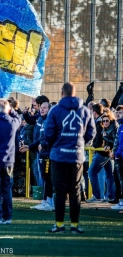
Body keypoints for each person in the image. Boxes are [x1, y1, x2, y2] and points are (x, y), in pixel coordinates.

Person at [44, 82, 96, 234]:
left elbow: (48, 134)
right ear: (75, 93)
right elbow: (91, 133)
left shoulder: (55, 111)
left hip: (58, 156)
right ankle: (75, 225)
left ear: (62, 93)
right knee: (75, 191)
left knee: (59, 191)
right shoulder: (85, 110)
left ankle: (59, 225)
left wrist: (55, 145)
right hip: (77, 156)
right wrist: (79, 143)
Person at [111, 105, 123, 209]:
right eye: (117, 113)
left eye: (120, 113)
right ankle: (120, 200)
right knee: (117, 178)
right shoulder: (120, 126)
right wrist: (114, 152)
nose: (118, 114)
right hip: (118, 156)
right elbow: (117, 141)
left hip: (121, 156)